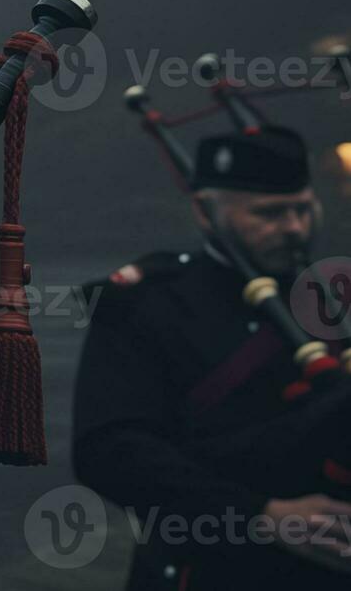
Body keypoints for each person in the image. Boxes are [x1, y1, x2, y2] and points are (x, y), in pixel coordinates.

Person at [74, 126, 351, 589]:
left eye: (303, 209)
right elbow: (111, 451)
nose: (294, 228)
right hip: (211, 568)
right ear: (206, 212)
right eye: (269, 213)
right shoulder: (145, 303)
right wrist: (257, 515)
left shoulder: (330, 297)